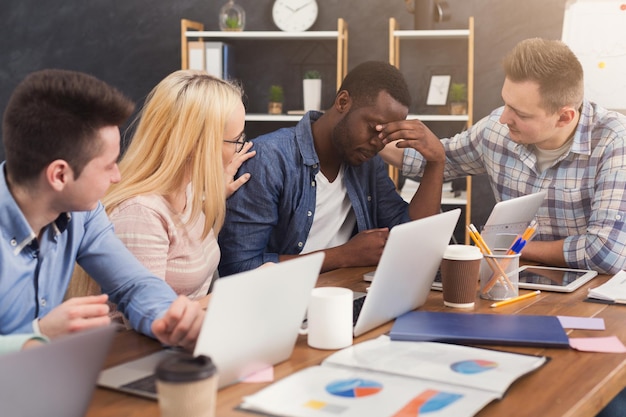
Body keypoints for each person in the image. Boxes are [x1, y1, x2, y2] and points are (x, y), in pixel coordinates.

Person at [380, 38, 626, 276]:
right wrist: (371, 136)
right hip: (515, 282)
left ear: (564, 117)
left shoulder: (614, 141)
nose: (503, 118)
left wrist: (510, 248)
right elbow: (430, 159)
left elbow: (605, 253)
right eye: (505, 103)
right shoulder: (497, 130)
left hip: (597, 294)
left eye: (519, 113)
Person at [0, 69, 203, 353]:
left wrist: (167, 316)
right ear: (59, 175)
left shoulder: (83, 213)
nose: (117, 176)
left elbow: (133, 284)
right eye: (108, 165)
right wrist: (36, 336)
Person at [218, 61, 445, 276]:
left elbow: (409, 235)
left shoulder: (367, 163)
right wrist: (342, 256)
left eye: (387, 135)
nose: (379, 142)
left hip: (342, 294)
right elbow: (240, 267)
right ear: (343, 102)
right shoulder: (269, 159)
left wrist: (436, 162)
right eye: (373, 128)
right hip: (280, 304)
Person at [69, 70, 255, 307]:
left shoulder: (186, 190)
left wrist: (214, 194)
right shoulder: (140, 213)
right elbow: (155, 318)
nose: (240, 148)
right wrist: (244, 289)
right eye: (236, 139)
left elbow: (182, 235)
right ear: (199, 145)